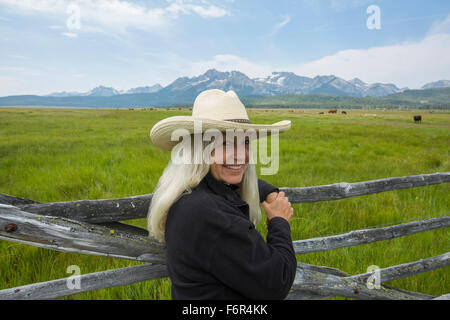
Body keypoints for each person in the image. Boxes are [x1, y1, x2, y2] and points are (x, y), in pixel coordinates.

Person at [147, 89, 296, 300]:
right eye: (225, 143)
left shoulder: (191, 193)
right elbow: (277, 281)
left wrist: (267, 191)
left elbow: (235, 178)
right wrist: (279, 222)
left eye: (245, 142)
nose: (240, 155)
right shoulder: (212, 216)